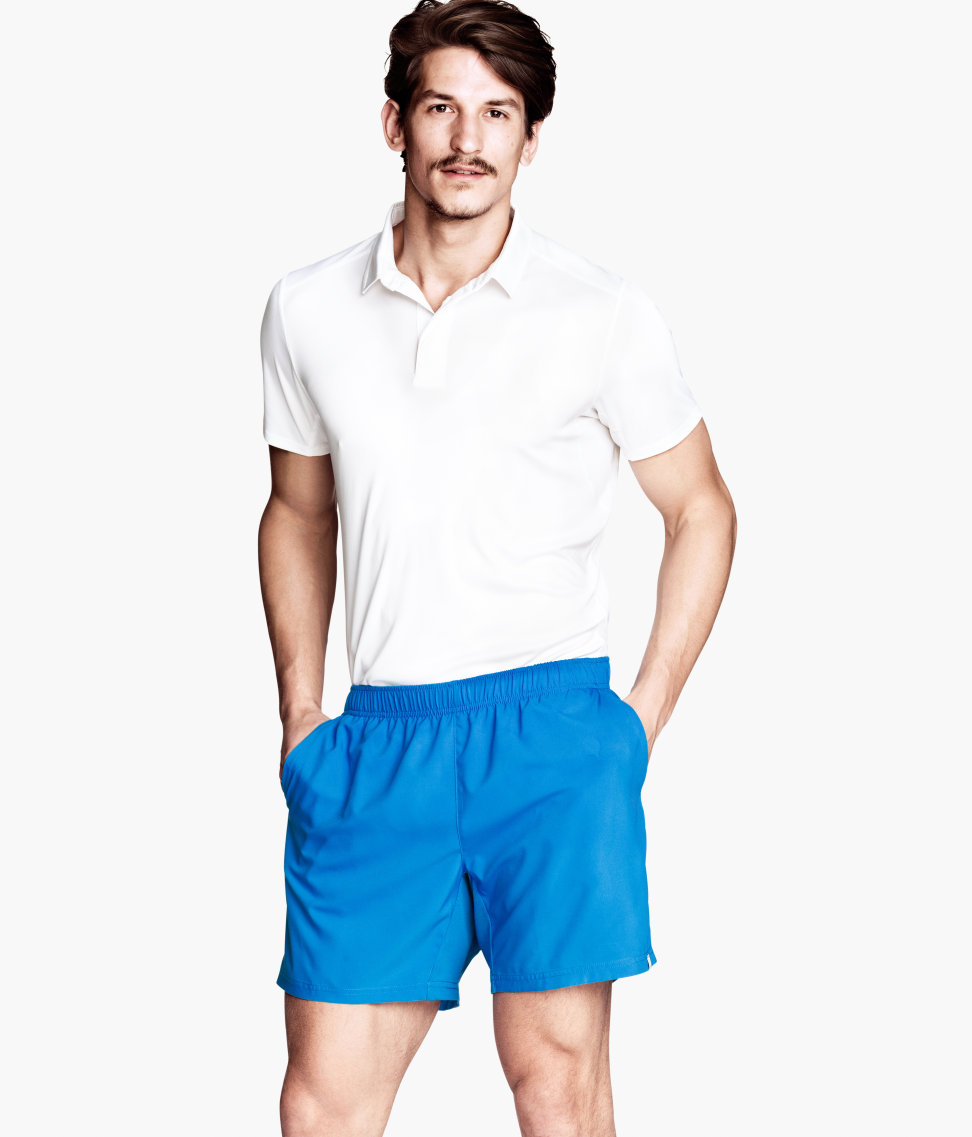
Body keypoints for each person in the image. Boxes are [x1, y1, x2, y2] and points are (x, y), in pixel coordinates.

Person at [257, 1, 736, 1133]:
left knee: (558, 1092)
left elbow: (701, 507)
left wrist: (637, 722)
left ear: (530, 137)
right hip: (378, 743)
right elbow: (297, 510)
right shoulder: (307, 308)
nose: (468, 139)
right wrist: (299, 712)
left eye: (498, 113)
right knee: (324, 1108)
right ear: (396, 124)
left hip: (552, 736)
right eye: (441, 107)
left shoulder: (600, 311)